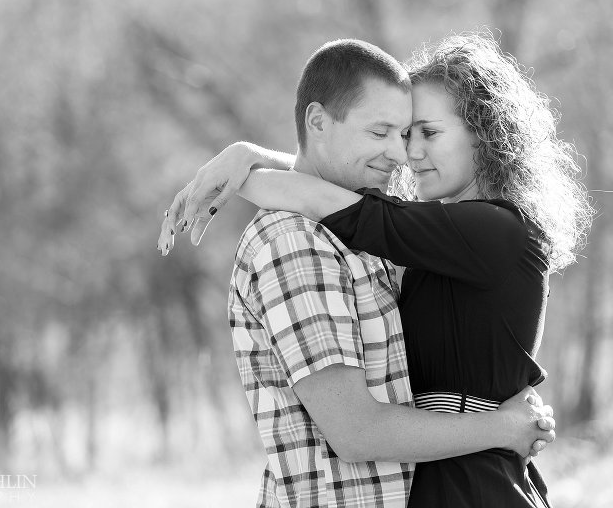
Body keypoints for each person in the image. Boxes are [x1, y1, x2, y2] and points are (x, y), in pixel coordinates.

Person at [157, 37, 562, 508]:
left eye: (424, 133)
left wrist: (245, 169)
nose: (406, 153)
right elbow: (358, 205)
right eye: (395, 134)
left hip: (477, 487)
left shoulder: (494, 230)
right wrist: (247, 158)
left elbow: (363, 211)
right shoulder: (332, 239)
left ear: (486, 134)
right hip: (448, 478)